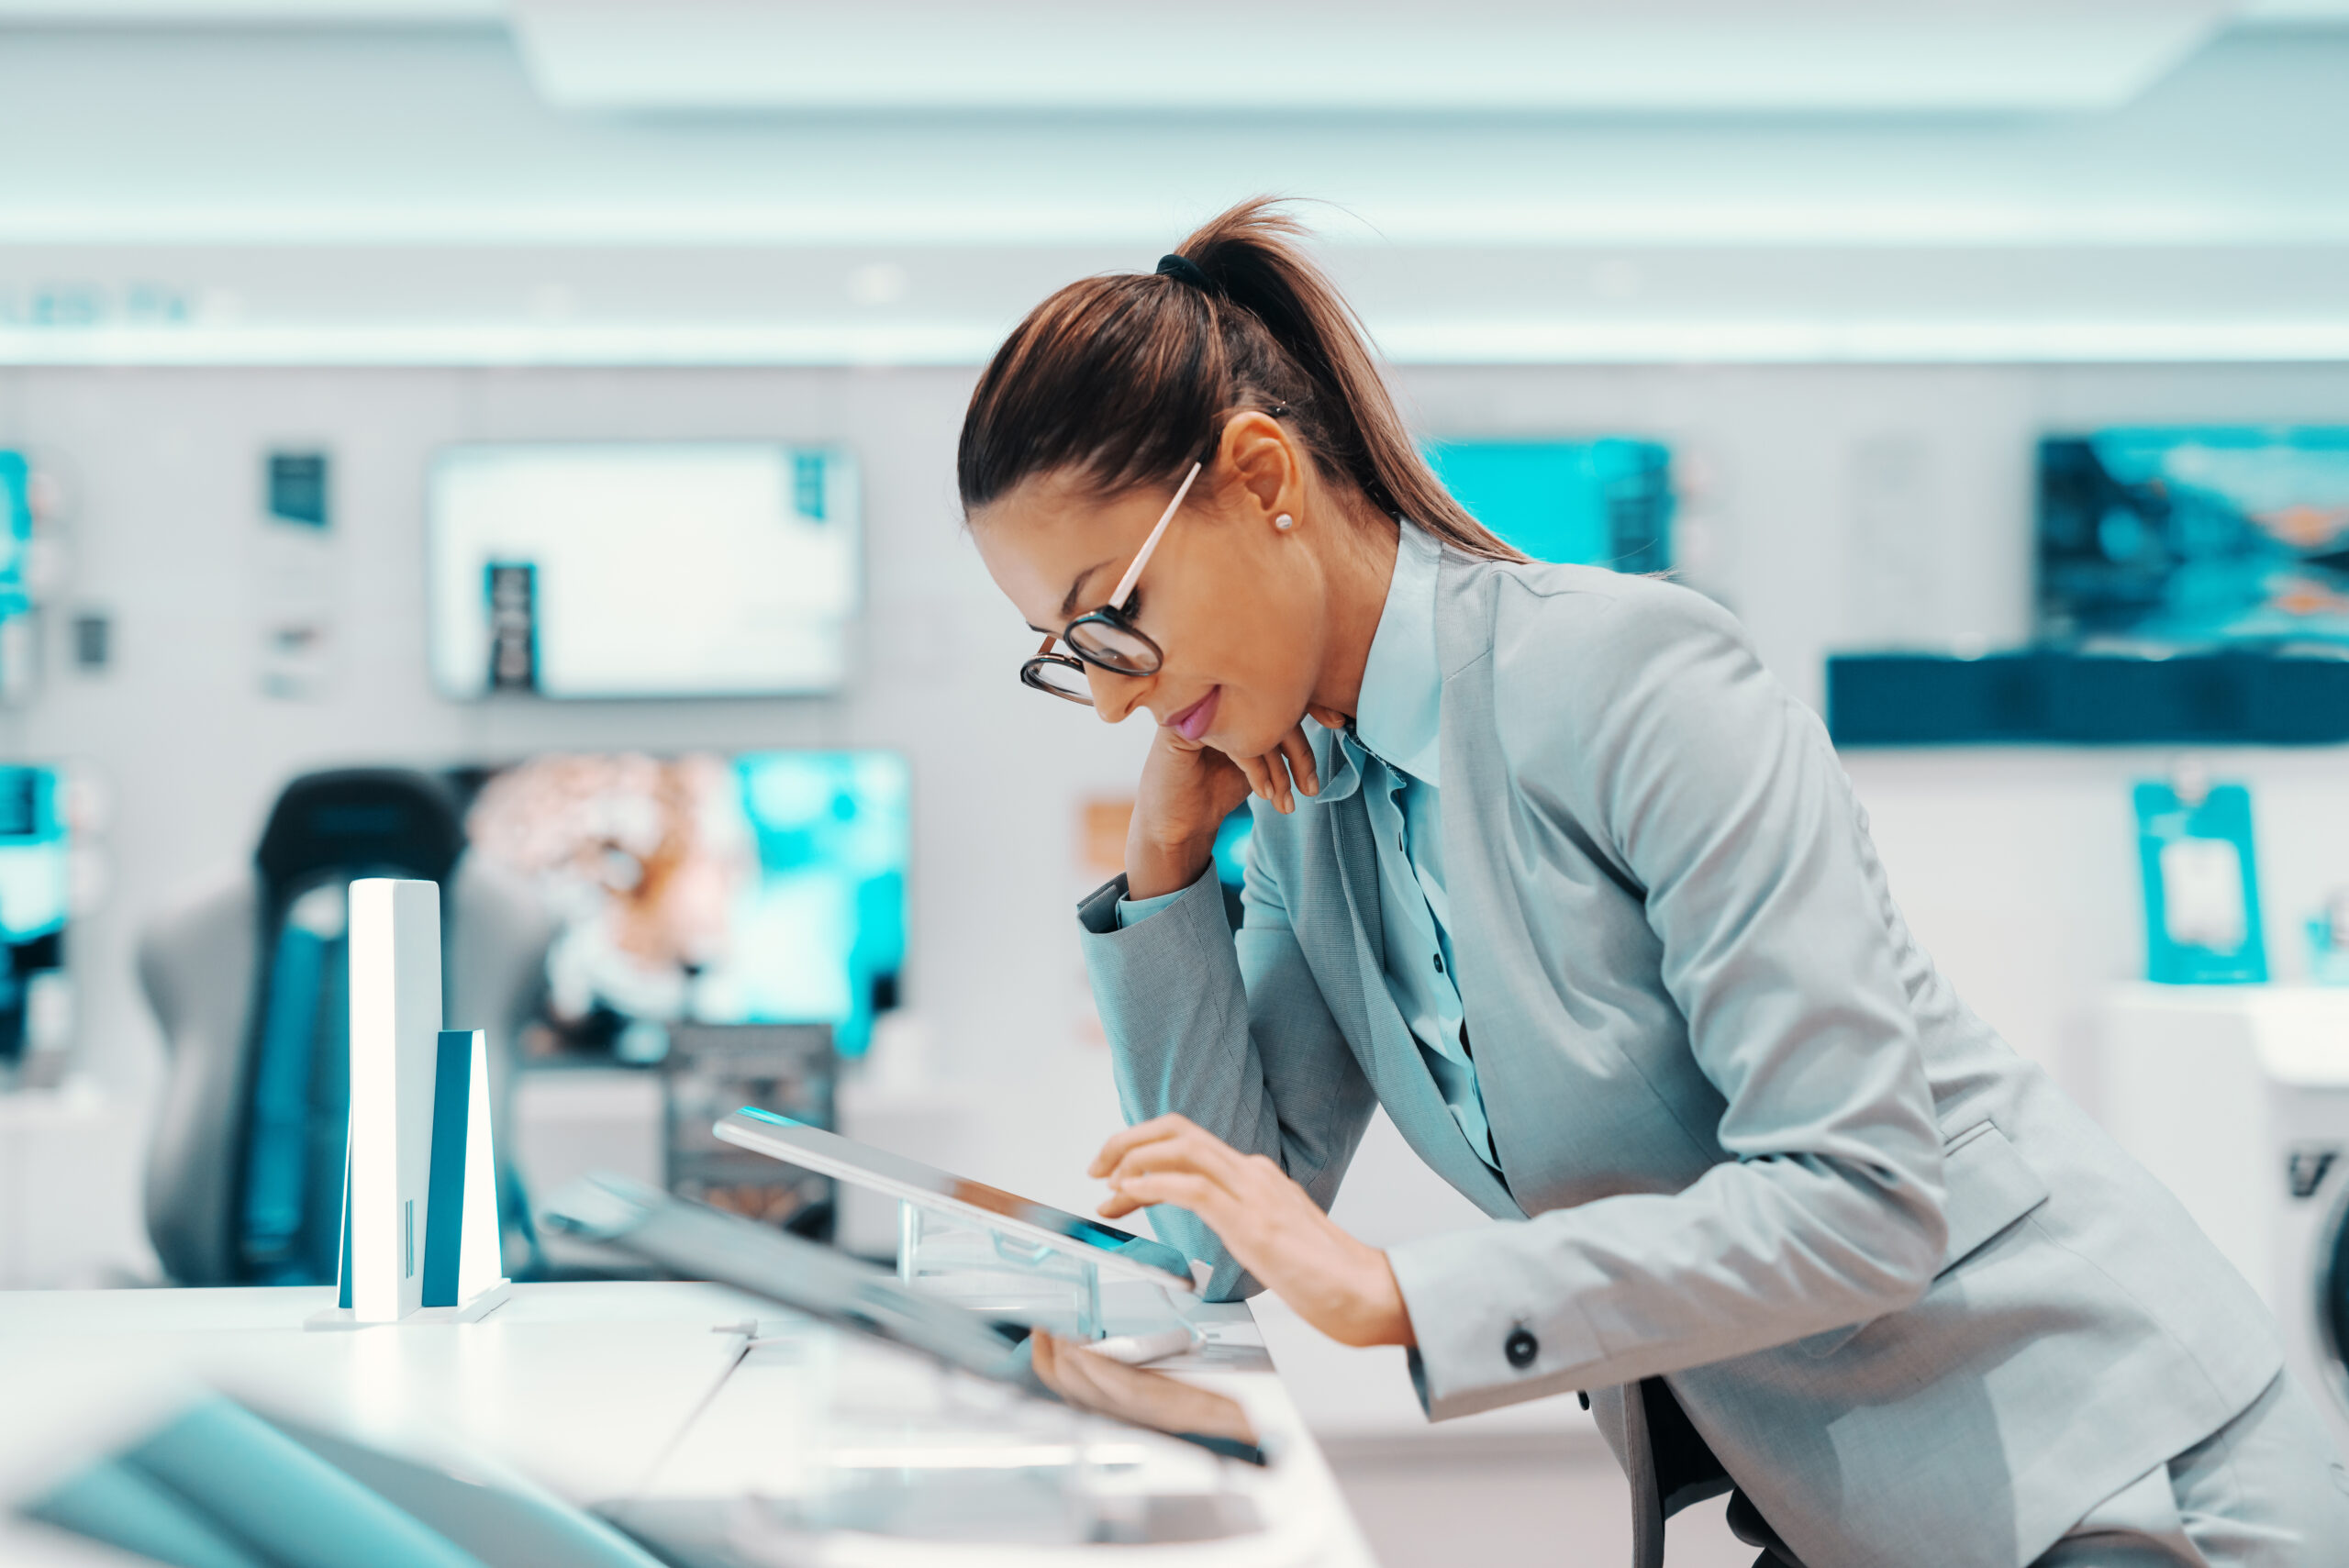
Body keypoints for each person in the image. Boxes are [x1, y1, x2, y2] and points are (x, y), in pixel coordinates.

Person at [958, 198, 2349, 1568]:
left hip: (2119, 1471)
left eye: (1113, 618)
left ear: (1263, 479)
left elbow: (1860, 1192)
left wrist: (1398, 1291)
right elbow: (1219, 1231)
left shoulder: (1633, 677)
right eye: (1064, 650)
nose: (1102, 699)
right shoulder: (1313, 810)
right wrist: (1166, 864)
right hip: (1874, 1502)